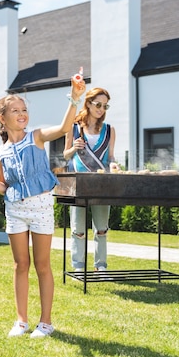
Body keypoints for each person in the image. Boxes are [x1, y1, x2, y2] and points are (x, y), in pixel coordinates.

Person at [0, 75, 86, 338]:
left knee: (42, 265)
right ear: (2, 118)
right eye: (15, 110)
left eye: (24, 110)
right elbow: (5, 187)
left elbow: (64, 127)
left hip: (41, 209)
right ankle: (21, 321)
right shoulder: (0, 151)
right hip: (14, 210)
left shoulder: (37, 137)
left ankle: (46, 322)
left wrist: (75, 97)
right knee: (20, 265)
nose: (22, 114)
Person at [63, 87, 119, 273]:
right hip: (78, 184)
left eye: (105, 106)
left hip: (102, 185)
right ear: (88, 103)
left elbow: (111, 157)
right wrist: (74, 148)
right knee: (78, 229)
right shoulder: (73, 127)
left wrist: (113, 165)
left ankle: (100, 267)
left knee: (101, 228)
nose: (101, 109)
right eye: (98, 104)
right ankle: (78, 267)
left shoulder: (110, 131)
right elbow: (65, 155)